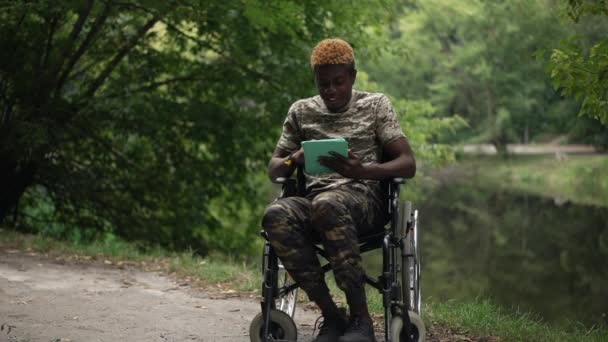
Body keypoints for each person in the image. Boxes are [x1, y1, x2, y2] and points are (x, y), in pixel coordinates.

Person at [262, 38, 416, 342]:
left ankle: (361, 319)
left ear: (353, 77)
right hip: (316, 202)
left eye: (338, 82)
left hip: (364, 202)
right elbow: (274, 169)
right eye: (323, 83)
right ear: (315, 80)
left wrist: (365, 170)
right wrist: (295, 158)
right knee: (276, 214)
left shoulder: (374, 105)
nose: (331, 90)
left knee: (328, 204)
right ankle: (333, 316)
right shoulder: (302, 111)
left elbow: (407, 163)